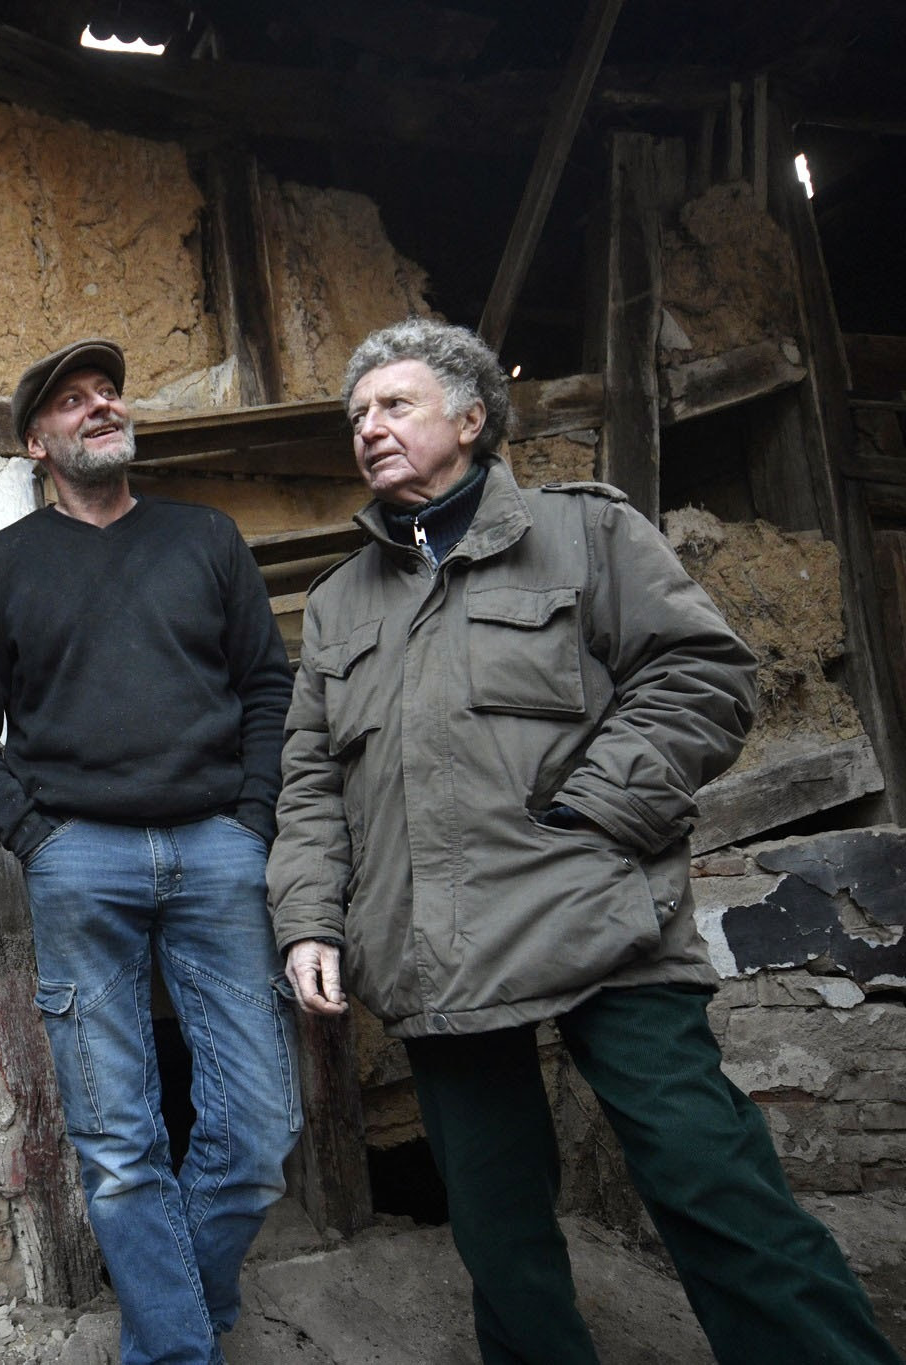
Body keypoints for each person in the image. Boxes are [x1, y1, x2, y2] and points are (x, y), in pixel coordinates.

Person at [268, 317, 902, 1365]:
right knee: (496, 1228)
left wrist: (597, 817)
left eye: (393, 406)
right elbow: (307, 781)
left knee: (708, 1181)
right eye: (355, 417)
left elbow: (701, 676)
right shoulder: (338, 604)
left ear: (471, 420)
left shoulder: (583, 534)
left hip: (605, 921)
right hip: (437, 945)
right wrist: (306, 920)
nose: (367, 430)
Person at [0, 339, 300, 1365]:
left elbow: (268, 688)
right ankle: (177, 1350)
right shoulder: (3, 569)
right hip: (79, 859)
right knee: (119, 1140)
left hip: (216, 850)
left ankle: (164, 1317)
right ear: (36, 442)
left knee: (260, 1128)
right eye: (69, 401)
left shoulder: (204, 540)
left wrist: (252, 818)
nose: (99, 408)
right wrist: (37, 837)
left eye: (106, 394)